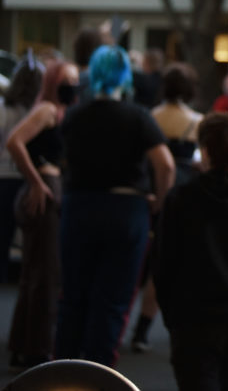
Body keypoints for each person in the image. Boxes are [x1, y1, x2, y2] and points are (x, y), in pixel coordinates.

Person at [54, 45, 174, 367]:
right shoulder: (138, 116)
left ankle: (61, 374)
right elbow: (165, 165)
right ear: (125, 76)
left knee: (73, 296)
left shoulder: (75, 116)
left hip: (79, 206)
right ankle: (98, 374)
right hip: (126, 209)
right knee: (113, 300)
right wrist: (158, 203)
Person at [153, 112, 228, 391]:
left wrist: (173, 316)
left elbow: (163, 264)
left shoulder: (181, 200)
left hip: (192, 321)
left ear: (205, 149)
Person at [5, 59, 79, 369]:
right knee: (45, 274)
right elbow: (14, 142)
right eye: (67, 81)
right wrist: (36, 181)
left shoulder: (56, 112)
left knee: (35, 274)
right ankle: (36, 350)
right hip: (43, 192)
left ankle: (25, 346)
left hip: (48, 189)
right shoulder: (46, 110)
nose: (73, 88)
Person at [129, 61, 204, 353]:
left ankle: (135, 327)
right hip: (185, 196)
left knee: (146, 264)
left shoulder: (150, 117)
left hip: (150, 192)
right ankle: (156, 329)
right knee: (175, 264)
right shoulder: (197, 121)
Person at [0, 55, 45, 283]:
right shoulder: (39, 114)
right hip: (31, 178)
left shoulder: (3, 109)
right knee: (32, 236)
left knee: (3, 233)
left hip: (4, 178)